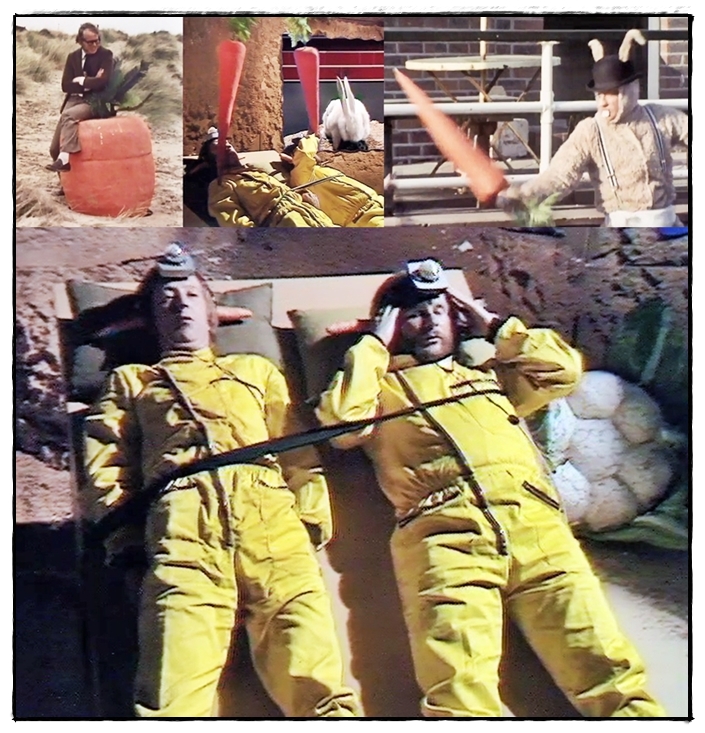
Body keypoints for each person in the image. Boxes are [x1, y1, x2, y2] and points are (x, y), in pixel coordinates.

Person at [316, 258, 666, 718]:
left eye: (438, 310)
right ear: (394, 325)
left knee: (609, 670)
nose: (427, 323)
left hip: (537, 529)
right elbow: (341, 422)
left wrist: (496, 327)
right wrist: (372, 346)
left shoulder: (491, 376)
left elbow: (564, 372)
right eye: (413, 314)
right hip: (444, 537)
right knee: (458, 690)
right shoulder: (379, 388)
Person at [81, 244, 359, 718]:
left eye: (191, 295)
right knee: (171, 695)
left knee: (317, 686)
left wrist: (310, 519)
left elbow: (295, 447)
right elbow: (105, 461)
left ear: (212, 314)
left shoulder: (256, 371)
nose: (180, 305)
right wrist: (124, 538)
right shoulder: (132, 381)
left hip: (272, 520)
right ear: (149, 321)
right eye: (165, 301)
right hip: (183, 524)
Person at [498, 30, 688, 227]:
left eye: (611, 93)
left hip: (666, 227)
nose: (603, 102)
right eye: (599, 94)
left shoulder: (659, 118)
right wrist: (524, 195)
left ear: (630, 90)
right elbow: (559, 175)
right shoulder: (590, 131)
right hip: (621, 233)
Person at [202, 130, 335, 227]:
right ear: (213, 160)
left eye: (228, 145)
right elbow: (232, 222)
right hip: (286, 227)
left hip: (313, 216)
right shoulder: (221, 184)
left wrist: (304, 197)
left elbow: (284, 190)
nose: (227, 147)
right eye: (218, 148)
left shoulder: (257, 173)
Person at [47, 22, 114, 173]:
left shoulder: (105, 55)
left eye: (98, 40)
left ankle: (64, 159)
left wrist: (82, 80)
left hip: (94, 101)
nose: (95, 44)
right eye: (91, 42)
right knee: (54, 149)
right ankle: (64, 184)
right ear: (80, 41)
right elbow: (66, 85)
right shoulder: (73, 57)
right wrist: (92, 81)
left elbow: (103, 82)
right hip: (73, 100)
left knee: (69, 115)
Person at [280, 134, 384, 227]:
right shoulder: (300, 175)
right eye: (296, 151)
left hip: (378, 207)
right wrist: (313, 136)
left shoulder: (313, 171)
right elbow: (305, 153)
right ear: (292, 159)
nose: (315, 153)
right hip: (365, 218)